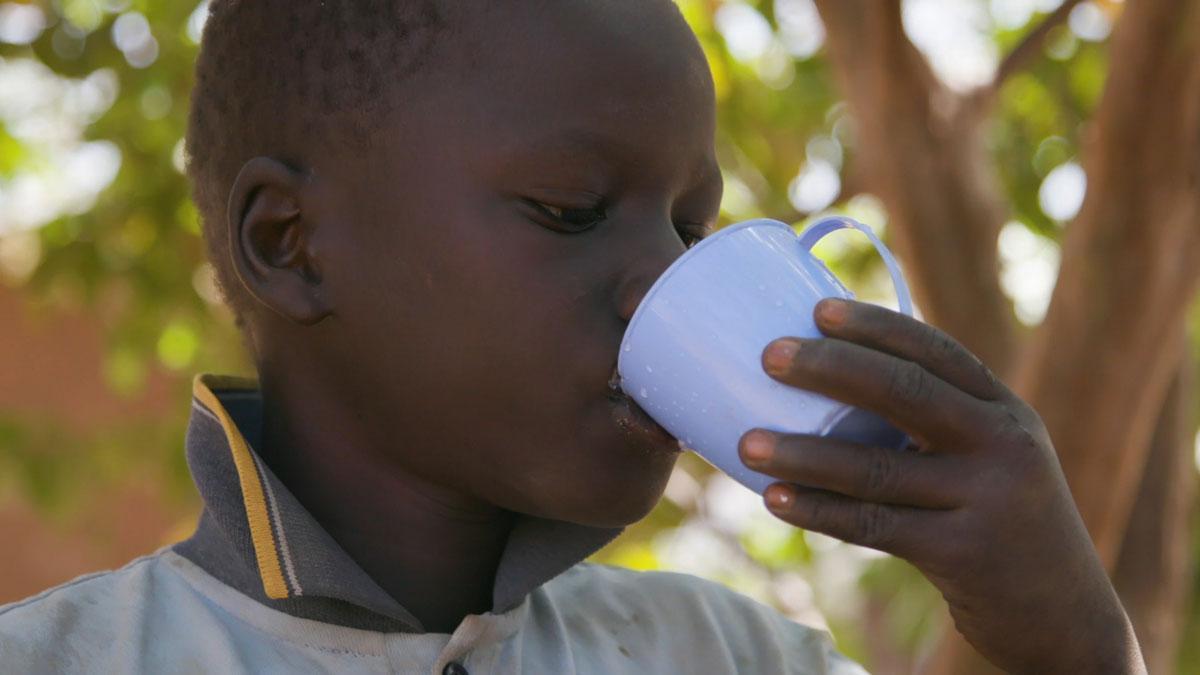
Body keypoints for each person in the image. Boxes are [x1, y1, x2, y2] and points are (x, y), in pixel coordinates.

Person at [0, 1, 1145, 673]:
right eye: (570, 211)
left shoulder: (724, 656)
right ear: (291, 243)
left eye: (692, 223)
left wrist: (1057, 632)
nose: (665, 277)